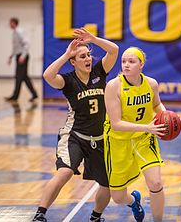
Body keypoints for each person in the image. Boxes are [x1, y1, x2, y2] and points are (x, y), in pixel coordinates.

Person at [32, 28, 119, 222]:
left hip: (100, 138)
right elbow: (48, 75)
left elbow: (114, 50)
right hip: (75, 136)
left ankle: (96, 217)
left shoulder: (99, 72)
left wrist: (94, 39)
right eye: (82, 56)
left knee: (107, 184)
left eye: (89, 55)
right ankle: (40, 214)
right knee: (65, 173)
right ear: (74, 61)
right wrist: (66, 55)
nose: (88, 59)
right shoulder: (68, 81)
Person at [104, 47, 167, 222]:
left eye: (131, 62)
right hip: (118, 142)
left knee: (155, 183)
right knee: (117, 197)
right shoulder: (113, 86)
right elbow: (116, 124)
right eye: (124, 61)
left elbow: (157, 105)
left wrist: (166, 115)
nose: (126, 65)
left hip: (143, 139)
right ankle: (133, 201)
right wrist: (147, 127)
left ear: (141, 64)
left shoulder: (151, 84)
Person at [6, 17, 38, 102]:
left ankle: (15, 96)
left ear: (14, 23)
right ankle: (34, 94)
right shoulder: (14, 33)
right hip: (19, 55)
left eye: (10, 23)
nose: (9, 24)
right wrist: (11, 56)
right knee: (24, 77)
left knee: (19, 76)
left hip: (22, 56)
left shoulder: (19, 32)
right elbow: (16, 47)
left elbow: (26, 44)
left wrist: (23, 56)